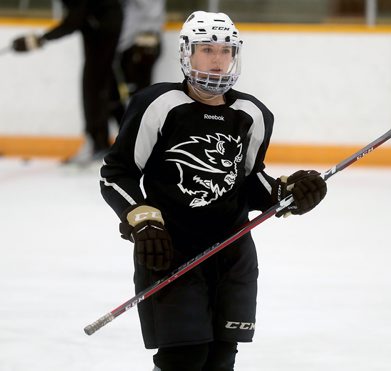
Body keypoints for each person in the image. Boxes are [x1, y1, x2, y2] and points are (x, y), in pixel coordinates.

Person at [99, 11, 328, 371]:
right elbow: (117, 174)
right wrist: (143, 221)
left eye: (226, 50)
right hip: (171, 251)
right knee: (184, 358)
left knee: (220, 360)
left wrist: (288, 194)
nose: (218, 60)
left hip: (232, 255)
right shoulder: (158, 105)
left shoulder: (253, 113)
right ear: (186, 53)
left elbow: (250, 180)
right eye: (207, 49)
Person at [11, 0, 123, 164]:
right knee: (101, 84)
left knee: (93, 86)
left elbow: (74, 20)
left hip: (102, 28)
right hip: (99, 26)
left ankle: (98, 145)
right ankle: (101, 143)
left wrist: (41, 39)